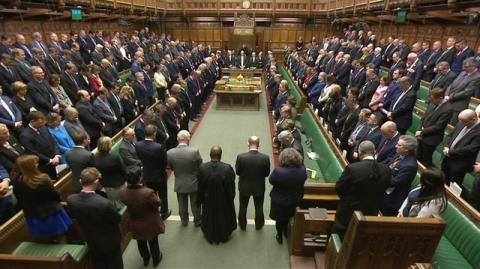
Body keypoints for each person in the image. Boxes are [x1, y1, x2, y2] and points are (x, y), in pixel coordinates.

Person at [67, 167, 123, 269]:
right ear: (96, 181)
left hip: (91, 240)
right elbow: (117, 219)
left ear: (80, 181)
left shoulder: (71, 200)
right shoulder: (104, 203)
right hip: (110, 241)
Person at [332, 141, 391, 237]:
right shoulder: (386, 170)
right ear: (374, 152)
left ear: (360, 153)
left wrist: (348, 199)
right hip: (370, 213)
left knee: (340, 238)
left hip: (348, 213)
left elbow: (339, 188)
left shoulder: (352, 168)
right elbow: (385, 188)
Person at [12, 154, 72, 240]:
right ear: (30, 167)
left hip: (32, 216)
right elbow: (55, 196)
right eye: (35, 163)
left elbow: (20, 200)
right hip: (51, 213)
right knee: (60, 237)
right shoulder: (43, 180)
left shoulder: (17, 183)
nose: (37, 165)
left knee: (44, 239)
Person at [120, 167, 165, 268]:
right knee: (153, 242)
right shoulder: (148, 192)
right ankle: (156, 260)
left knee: (140, 242)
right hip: (150, 222)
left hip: (134, 221)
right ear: (140, 177)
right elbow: (157, 203)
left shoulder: (122, 192)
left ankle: (146, 259)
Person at [197, 145, 237, 244]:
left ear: (210, 155)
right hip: (223, 200)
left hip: (208, 200)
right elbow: (231, 185)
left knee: (209, 216)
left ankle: (210, 233)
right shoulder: (227, 168)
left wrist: (200, 199)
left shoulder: (202, 168)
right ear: (220, 155)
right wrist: (230, 197)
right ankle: (223, 234)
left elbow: (200, 186)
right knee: (223, 216)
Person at [269, 148, 307, 244]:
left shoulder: (278, 171)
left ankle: (279, 235)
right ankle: (286, 232)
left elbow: (271, 181)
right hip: (294, 200)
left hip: (279, 201)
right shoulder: (302, 170)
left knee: (279, 219)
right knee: (288, 217)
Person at [135, 124, 171, 220]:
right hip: (159, 175)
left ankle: (152, 211)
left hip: (146, 174)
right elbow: (164, 162)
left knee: (150, 194)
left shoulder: (138, 145)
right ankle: (164, 212)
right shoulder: (159, 147)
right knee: (163, 194)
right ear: (154, 134)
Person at [167, 130, 202, 227]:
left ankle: (184, 221)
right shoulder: (194, 151)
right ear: (187, 139)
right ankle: (197, 220)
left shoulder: (170, 153)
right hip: (193, 181)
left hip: (179, 181)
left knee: (182, 204)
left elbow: (170, 167)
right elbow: (200, 165)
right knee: (195, 203)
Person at [235, 136, 271, 230]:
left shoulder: (241, 157)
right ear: (259, 144)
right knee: (259, 207)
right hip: (259, 186)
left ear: (248, 144)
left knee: (243, 207)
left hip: (244, 186)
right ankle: (259, 225)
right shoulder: (265, 158)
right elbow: (267, 174)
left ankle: (242, 225)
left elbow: (238, 172)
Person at [382, 135, 418, 216]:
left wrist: (381, 175)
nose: (395, 146)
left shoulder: (410, 166)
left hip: (391, 200)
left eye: (399, 145)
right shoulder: (399, 154)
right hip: (384, 191)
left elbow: (394, 182)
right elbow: (387, 165)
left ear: (406, 149)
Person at [415, 88, 453, 167]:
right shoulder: (432, 103)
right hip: (421, 135)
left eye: (432, 99)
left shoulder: (448, 109)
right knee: (417, 156)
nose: (430, 100)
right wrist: (419, 130)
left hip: (431, 138)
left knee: (426, 161)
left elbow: (438, 126)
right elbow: (423, 118)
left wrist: (422, 132)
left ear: (440, 98)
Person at [441, 109, 480, 185]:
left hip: (460, 163)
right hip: (448, 157)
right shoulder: (462, 121)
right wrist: (447, 147)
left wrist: (450, 152)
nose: (461, 123)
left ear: (473, 119)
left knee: (453, 185)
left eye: (464, 121)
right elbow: (450, 135)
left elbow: (471, 148)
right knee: (443, 179)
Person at [20, 111, 61, 180]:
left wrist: (57, 155)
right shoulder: (25, 136)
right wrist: (50, 160)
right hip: (44, 166)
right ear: (32, 121)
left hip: (56, 160)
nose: (43, 124)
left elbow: (53, 142)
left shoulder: (43, 127)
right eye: (41, 122)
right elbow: (33, 153)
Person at [94, 136, 126, 209]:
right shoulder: (114, 158)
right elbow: (122, 170)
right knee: (123, 203)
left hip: (107, 186)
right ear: (108, 145)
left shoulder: (95, 158)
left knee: (114, 203)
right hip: (119, 184)